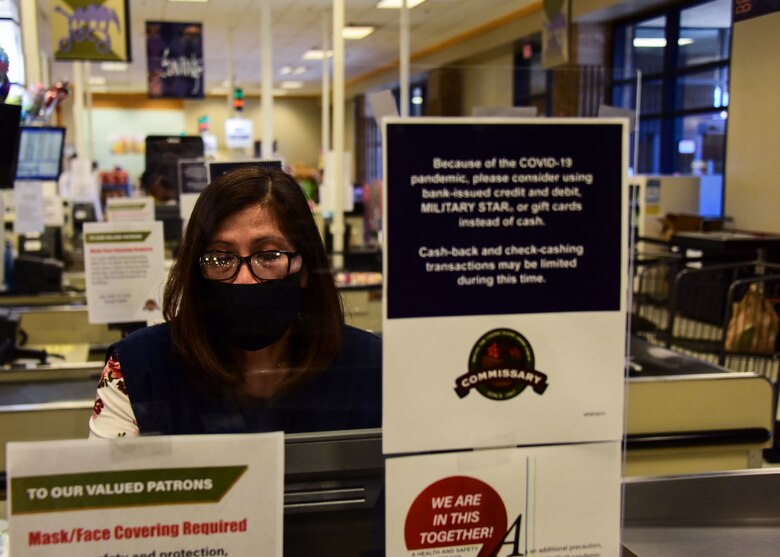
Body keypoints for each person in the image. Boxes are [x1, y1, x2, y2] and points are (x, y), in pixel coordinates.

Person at [89, 166, 381, 437]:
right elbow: (112, 475)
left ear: (305, 269)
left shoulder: (371, 367)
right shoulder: (138, 368)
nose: (244, 278)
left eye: (269, 256)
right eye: (220, 258)